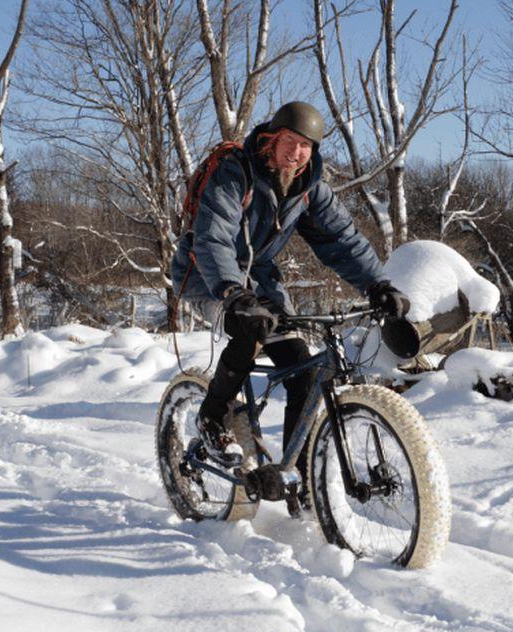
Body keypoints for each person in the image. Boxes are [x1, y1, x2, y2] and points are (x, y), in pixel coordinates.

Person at [171, 100, 411, 480]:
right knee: (249, 330)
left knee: (301, 366)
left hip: (261, 281)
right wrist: (233, 293)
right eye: (290, 141)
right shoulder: (235, 173)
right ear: (271, 138)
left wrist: (377, 285)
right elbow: (212, 237)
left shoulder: (308, 187)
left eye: (306, 146)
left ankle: (295, 475)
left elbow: (342, 239)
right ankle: (213, 417)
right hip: (208, 277)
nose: (297, 153)